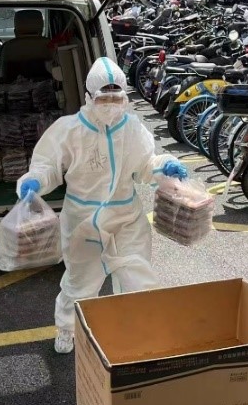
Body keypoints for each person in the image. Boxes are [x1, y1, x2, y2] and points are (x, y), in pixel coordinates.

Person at [17, 57, 188, 353]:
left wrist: (164, 166)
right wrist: (35, 180)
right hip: (83, 219)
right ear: (89, 97)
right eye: (104, 98)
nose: (110, 105)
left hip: (125, 217)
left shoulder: (132, 128)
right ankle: (67, 329)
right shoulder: (70, 129)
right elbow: (48, 164)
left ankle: (141, 334)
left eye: (116, 98)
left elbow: (145, 166)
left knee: (139, 278)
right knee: (80, 283)